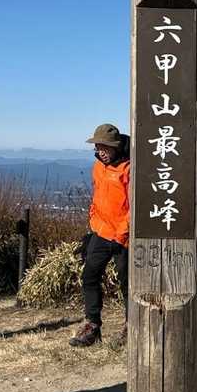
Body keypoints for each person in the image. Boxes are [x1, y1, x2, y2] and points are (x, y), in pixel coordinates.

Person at [70, 123, 130, 347]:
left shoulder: (129, 168)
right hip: (102, 232)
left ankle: (132, 326)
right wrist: (93, 221)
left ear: (116, 146)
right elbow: (97, 196)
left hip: (125, 237)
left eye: (105, 147)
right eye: (98, 147)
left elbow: (136, 205)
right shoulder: (98, 167)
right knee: (89, 276)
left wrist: (122, 233)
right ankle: (92, 326)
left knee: (128, 283)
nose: (101, 151)